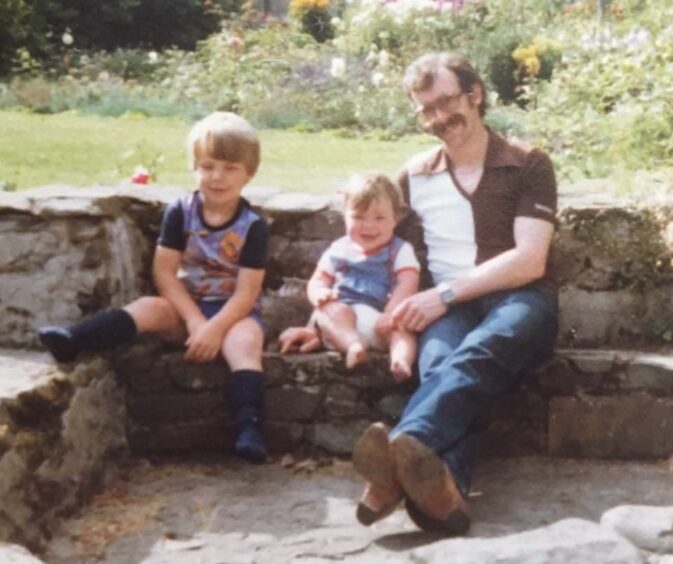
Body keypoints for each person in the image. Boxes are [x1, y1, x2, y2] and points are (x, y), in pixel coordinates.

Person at [351, 52, 559, 533]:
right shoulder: (415, 175)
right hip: (448, 309)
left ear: (476, 94)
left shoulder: (527, 163)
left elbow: (530, 259)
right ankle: (446, 500)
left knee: (477, 354)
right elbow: (370, 243)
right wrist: (323, 313)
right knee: (440, 366)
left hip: (521, 301)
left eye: (447, 102)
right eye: (426, 109)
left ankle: (399, 455)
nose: (440, 118)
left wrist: (443, 295)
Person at [37, 111, 270, 464]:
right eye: (207, 166)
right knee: (148, 306)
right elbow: (165, 273)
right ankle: (74, 339)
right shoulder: (181, 211)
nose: (217, 177)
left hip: (233, 314)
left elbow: (246, 293)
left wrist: (215, 328)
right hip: (186, 307)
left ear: (248, 173)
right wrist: (195, 323)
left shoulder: (253, 226)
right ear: (194, 167)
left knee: (245, 343)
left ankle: (249, 428)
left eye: (229, 167)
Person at [278, 173, 420, 382]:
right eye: (358, 217)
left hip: (381, 320)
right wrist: (319, 293)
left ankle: (400, 360)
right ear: (344, 215)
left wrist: (391, 313)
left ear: (396, 219)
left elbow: (408, 283)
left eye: (379, 218)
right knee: (329, 310)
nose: (368, 226)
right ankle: (354, 345)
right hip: (343, 321)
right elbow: (318, 280)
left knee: (403, 330)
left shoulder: (399, 250)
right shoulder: (339, 249)